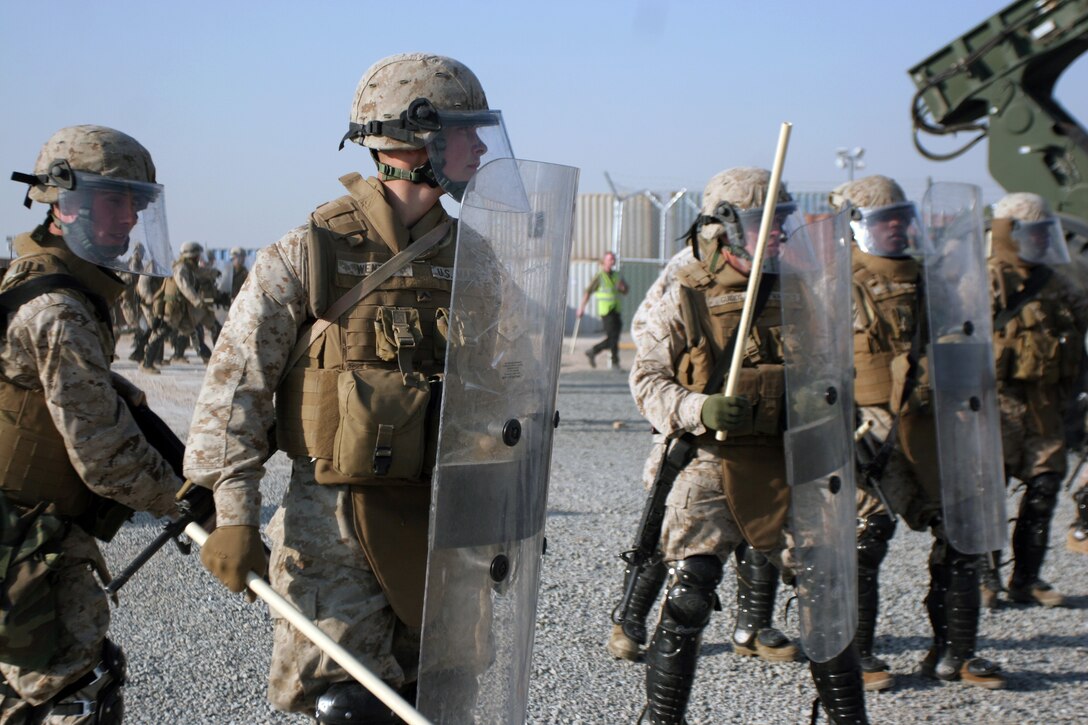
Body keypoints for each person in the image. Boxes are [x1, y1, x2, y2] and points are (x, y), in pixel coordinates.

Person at [183, 52, 502, 721]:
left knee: (442, 700)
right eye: (465, 131)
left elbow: (504, 394)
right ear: (417, 140)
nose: (480, 147)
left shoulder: (476, 261)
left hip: (442, 523)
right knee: (350, 704)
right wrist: (234, 514)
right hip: (335, 527)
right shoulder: (309, 250)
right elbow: (235, 390)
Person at [631, 167, 867, 724]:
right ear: (728, 227)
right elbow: (646, 380)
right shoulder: (684, 290)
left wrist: (824, 403)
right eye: (767, 221)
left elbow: (837, 373)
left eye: (784, 219)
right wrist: (699, 408)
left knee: (828, 596)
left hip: (790, 459)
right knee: (690, 594)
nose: (781, 230)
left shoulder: (804, 289)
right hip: (709, 459)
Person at [0, 124, 183, 722]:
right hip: (25, 538)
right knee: (72, 692)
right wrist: (189, 502)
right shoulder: (58, 308)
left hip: (26, 531)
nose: (129, 218)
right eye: (113, 201)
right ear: (62, 203)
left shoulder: (43, 284)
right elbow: (103, 453)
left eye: (137, 203)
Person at [837, 175, 1006, 691]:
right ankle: (856, 654)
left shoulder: (935, 280)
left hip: (933, 422)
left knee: (961, 534)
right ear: (854, 227)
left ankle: (955, 652)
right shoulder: (833, 284)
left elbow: (966, 340)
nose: (896, 227)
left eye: (900, 217)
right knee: (866, 537)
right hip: (866, 426)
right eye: (882, 220)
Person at [982, 192, 1088, 607]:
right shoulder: (985, 279)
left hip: (1044, 404)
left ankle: (1026, 579)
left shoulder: (1055, 282)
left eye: (1046, 233)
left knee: (1044, 487)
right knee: (989, 491)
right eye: (1033, 233)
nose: (1042, 240)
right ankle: (985, 576)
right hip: (997, 404)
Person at [577, 251, 628, 369]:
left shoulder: (617, 275)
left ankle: (597, 353)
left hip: (616, 309)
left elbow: (625, 290)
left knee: (615, 337)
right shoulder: (599, 276)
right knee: (612, 337)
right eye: (610, 259)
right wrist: (581, 308)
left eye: (613, 259)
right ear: (604, 261)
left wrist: (623, 288)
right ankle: (609, 359)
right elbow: (588, 292)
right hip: (606, 311)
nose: (612, 261)